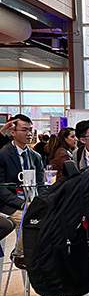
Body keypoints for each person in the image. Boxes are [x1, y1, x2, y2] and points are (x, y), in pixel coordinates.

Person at [0, 114, 44, 268]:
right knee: (26, 218)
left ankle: (38, 253)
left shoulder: (35, 156)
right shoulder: (3, 154)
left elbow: (40, 184)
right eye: (24, 130)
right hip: (9, 203)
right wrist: (22, 204)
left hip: (31, 200)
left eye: (30, 130)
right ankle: (20, 254)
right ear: (13, 132)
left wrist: (40, 201)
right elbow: (2, 189)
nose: (29, 133)